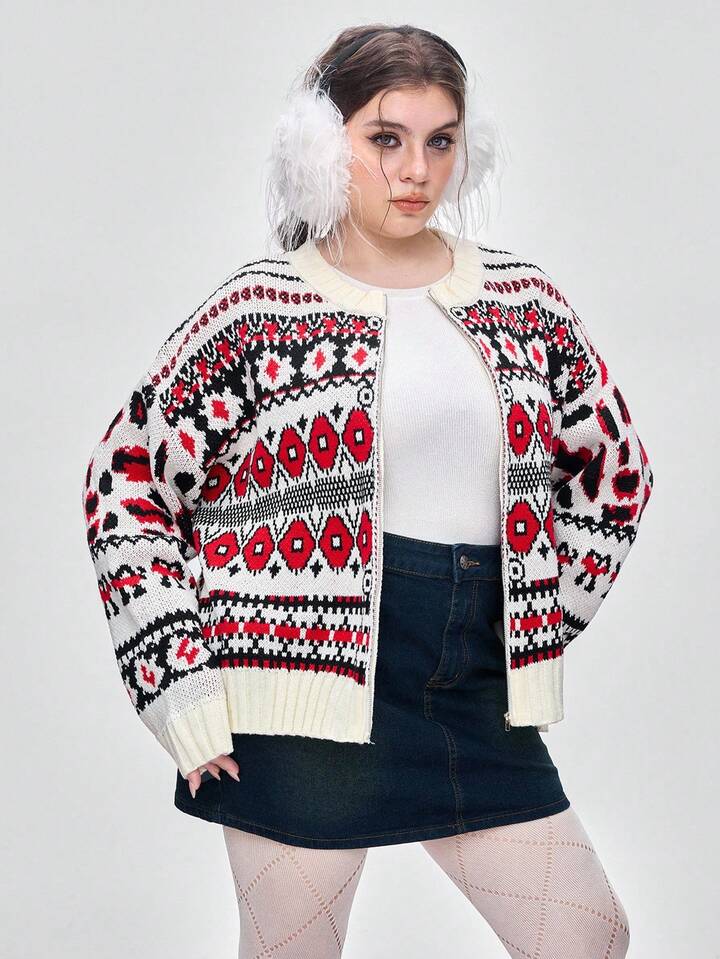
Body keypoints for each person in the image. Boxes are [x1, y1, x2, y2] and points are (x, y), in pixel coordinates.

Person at [82, 22, 653, 958]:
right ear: (322, 141)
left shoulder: (524, 301)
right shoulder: (259, 310)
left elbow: (617, 472)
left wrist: (536, 621)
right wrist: (176, 684)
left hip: (468, 689)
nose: (416, 170)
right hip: (296, 685)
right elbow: (126, 484)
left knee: (586, 937)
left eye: (440, 140)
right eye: (385, 138)